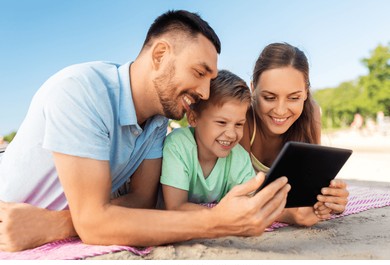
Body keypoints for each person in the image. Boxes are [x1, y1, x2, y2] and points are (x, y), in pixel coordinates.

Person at [0, 10, 290, 252]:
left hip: (36, 223)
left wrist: (59, 223)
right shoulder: (82, 90)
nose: (204, 92)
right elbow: (93, 224)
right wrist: (218, 222)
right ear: (160, 54)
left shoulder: (157, 120)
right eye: (199, 73)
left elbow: (142, 200)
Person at [240, 42, 349, 226]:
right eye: (269, 97)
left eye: (294, 98)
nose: (281, 110)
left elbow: (310, 185)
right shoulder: (243, 118)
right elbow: (239, 192)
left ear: (306, 92)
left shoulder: (311, 113)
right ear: (253, 89)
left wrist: (330, 199)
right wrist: (288, 215)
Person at [161, 70, 256, 210]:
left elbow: (250, 204)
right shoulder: (178, 146)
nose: (231, 134)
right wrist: (225, 213)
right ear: (193, 118)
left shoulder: (239, 157)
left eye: (239, 124)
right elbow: (176, 207)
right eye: (221, 122)